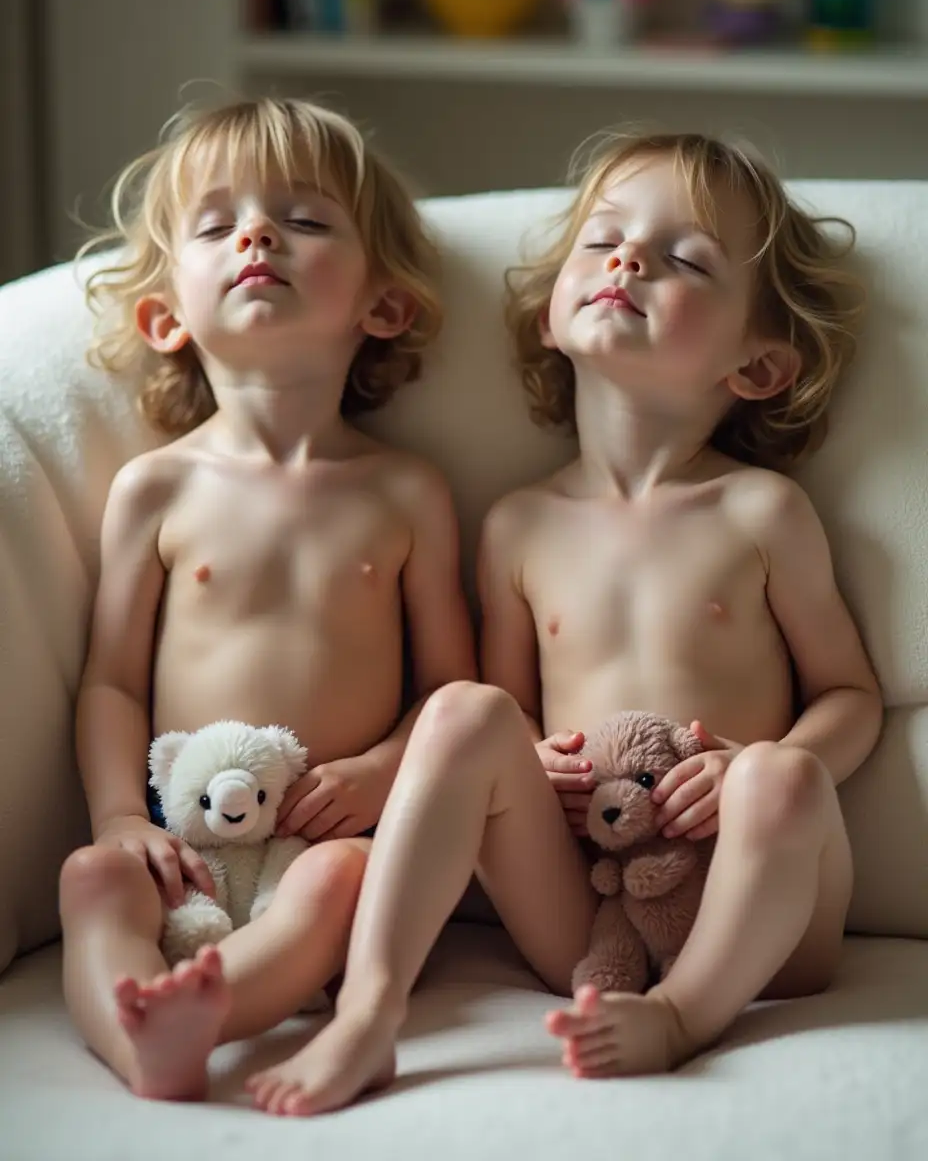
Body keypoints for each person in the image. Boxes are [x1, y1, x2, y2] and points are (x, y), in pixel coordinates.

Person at [249, 131, 883, 1116]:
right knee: (461, 710)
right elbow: (514, 713)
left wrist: (747, 765)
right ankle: (370, 1012)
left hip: (760, 908)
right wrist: (540, 764)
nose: (629, 261)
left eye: (684, 259)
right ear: (550, 312)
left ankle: (680, 1013)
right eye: (606, 242)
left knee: (785, 774)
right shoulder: (518, 524)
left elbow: (850, 694)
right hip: (588, 908)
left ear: (756, 365)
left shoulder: (761, 512)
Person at [58, 96, 476, 1102]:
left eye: (304, 219)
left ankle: (210, 1012)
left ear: (383, 304)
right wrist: (121, 815)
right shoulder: (156, 488)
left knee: (343, 881)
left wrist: (382, 769)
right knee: (90, 879)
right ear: (165, 314)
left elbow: (458, 687)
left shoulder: (404, 491)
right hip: (183, 847)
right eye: (217, 223)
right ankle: (141, 1035)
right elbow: (113, 681)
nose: (256, 234)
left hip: (322, 847)